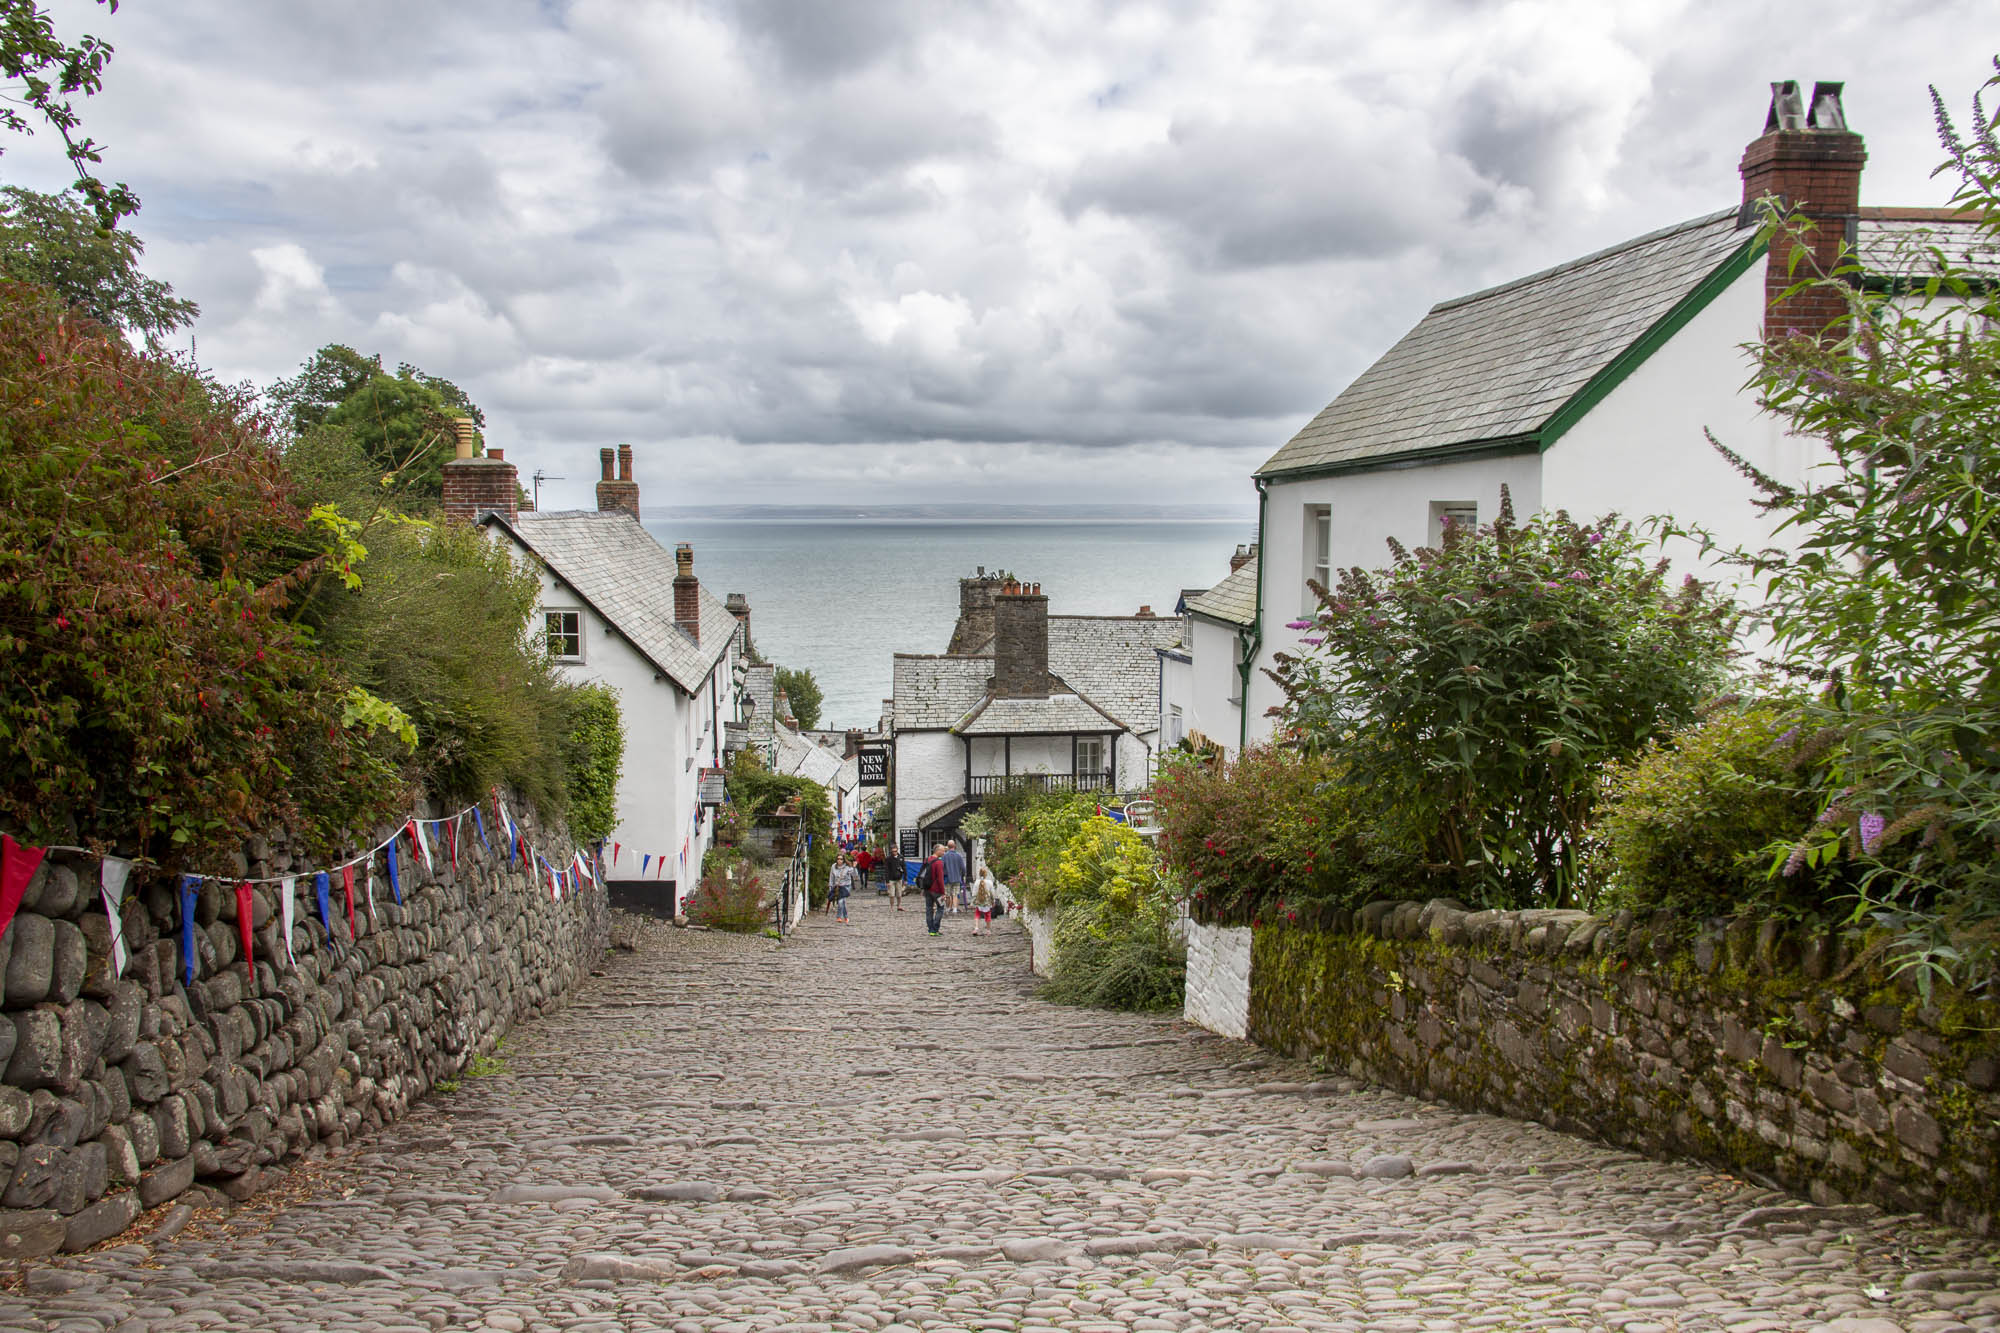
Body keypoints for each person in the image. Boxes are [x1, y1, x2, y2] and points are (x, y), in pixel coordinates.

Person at [921, 843, 948, 936]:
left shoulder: (927, 860)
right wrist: (943, 892)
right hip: (936, 890)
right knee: (941, 908)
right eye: (943, 850)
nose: (944, 852)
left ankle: (930, 929)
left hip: (927, 889)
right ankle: (935, 928)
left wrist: (923, 888)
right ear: (937, 851)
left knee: (929, 909)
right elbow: (940, 879)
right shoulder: (939, 862)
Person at [942, 838, 967, 914]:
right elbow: (963, 867)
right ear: (955, 846)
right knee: (955, 894)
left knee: (948, 895)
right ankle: (955, 909)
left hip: (947, 878)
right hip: (957, 878)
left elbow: (942, 867)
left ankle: (947, 908)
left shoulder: (944, 856)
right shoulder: (959, 856)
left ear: (947, 846)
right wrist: (962, 875)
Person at [970, 866, 997, 936]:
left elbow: (974, 893)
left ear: (979, 874)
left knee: (977, 914)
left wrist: (972, 902)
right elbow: (992, 893)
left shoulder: (976, 882)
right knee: (988, 915)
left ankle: (976, 928)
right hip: (987, 901)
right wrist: (993, 901)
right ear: (986, 874)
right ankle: (988, 930)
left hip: (979, 900)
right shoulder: (990, 882)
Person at [830, 853, 856, 924]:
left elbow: (854, 874)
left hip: (846, 886)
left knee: (841, 901)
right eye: (838, 859)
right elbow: (831, 877)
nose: (839, 860)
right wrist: (831, 886)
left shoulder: (847, 867)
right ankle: (846, 917)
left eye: (841, 859)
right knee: (842, 901)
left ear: (843, 860)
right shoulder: (833, 866)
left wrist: (853, 867)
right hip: (838, 886)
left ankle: (838, 917)